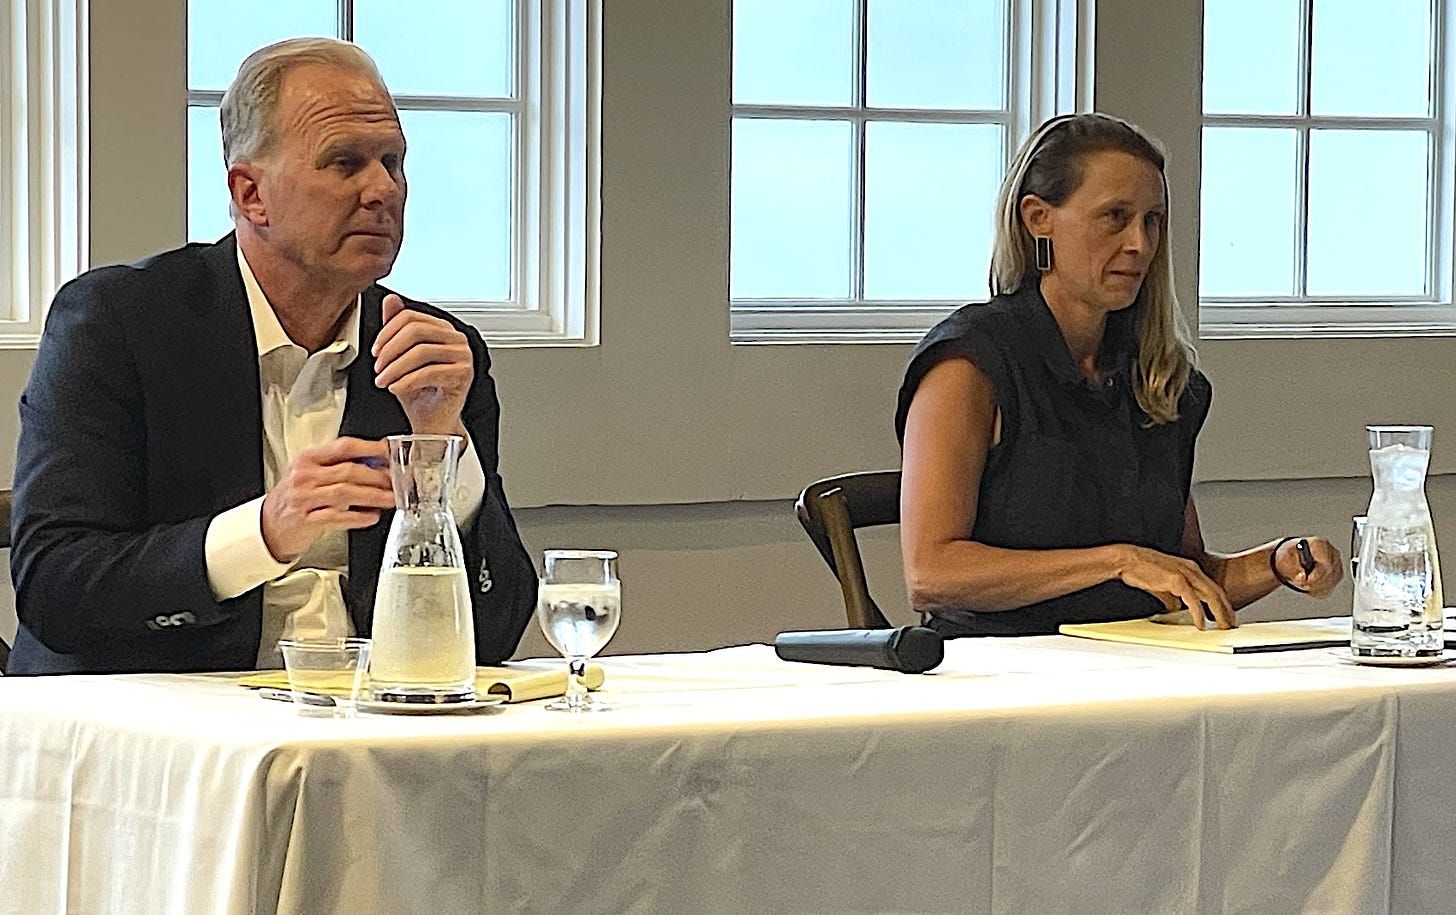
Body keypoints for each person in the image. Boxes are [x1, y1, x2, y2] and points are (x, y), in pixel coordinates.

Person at [8, 38, 538, 674]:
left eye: (393, 162)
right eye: (345, 163)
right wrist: (264, 532)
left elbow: (498, 632)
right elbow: (57, 587)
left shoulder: (431, 354)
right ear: (250, 193)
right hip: (158, 731)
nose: (382, 190)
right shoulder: (118, 324)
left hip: (364, 732)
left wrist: (441, 449)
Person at [896, 113, 1342, 637]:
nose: (1140, 244)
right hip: (998, 674)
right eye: (1115, 217)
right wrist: (1118, 560)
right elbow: (932, 573)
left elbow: (1184, 573)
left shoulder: (1154, 376)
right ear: (1038, 218)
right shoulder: (971, 363)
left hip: (1134, 667)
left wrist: (1278, 563)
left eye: (1152, 220)